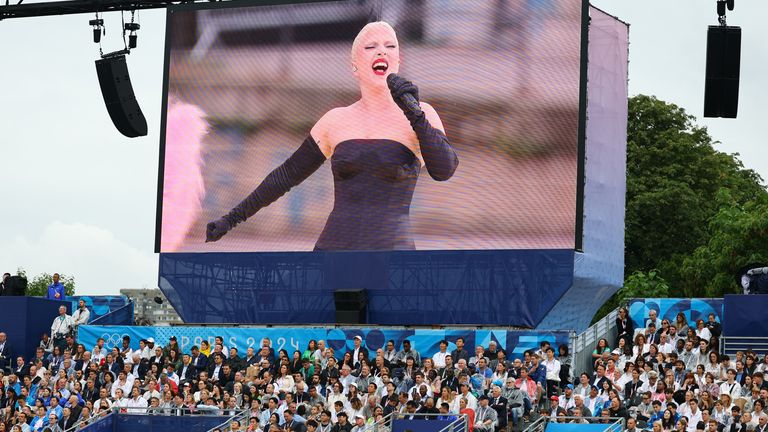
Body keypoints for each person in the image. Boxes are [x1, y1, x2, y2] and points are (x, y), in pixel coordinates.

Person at [206, 21, 459, 251]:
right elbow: (285, 175)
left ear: (398, 59)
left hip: (393, 257)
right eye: (370, 46)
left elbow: (444, 169)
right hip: (334, 254)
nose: (381, 51)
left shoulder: (421, 113)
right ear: (354, 66)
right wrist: (232, 218)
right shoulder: (335, 120)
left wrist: (413, 113)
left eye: (390, 46)